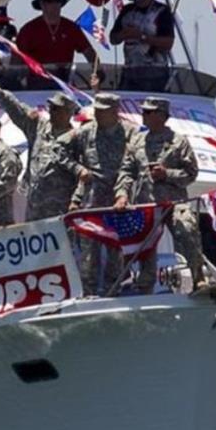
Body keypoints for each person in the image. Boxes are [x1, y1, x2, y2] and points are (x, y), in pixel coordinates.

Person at [114, 97, 204, 293]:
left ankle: (198, 279)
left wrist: (167, 174)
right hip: (146, 203)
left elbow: (192, 173)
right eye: (143, 112)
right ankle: (144, 284)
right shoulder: (136, 141)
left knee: (187, 227)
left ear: (161, 116)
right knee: (142, 244)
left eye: (148, 112)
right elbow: (126, 171)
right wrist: (122, 195)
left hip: (173, 202)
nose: (143, 115)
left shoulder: (178, 142)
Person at [0, 76, 80, 220]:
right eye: (50, 107)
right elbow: (16, 108)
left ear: (68, 113)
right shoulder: (39, 127)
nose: (51, 111)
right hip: (35, 203)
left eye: (56, 109)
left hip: (60, 206)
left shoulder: (76, 138)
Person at [67, 93, 137, 295]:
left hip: (119, 201)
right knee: (90, 249)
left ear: (115, 111)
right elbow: (58, 150)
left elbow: (136, 164)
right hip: (92, 201)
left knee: (117, 248)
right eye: (96, 110)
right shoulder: (85, 132)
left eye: (102, 110)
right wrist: (77, 169)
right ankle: (88, 291)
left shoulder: (130, 133)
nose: (97, 114)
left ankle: (113, 289)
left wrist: (124, 192)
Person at [109, 0, 174, 90]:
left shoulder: (162, 11)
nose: (138, 1)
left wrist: (141, 36)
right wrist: (123, 35)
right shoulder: (127, 10)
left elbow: (168, 43)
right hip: (130, 70)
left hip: (155, 73)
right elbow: (113, 39)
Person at [16, 0, 96, 72]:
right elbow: (17, 59)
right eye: (49, 1)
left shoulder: (71, 28)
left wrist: (97, 70)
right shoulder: (29, 30)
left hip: (64, 81)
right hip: (37, 82)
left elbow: (88, 52)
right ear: (42, 5)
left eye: (57, 1)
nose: (54, 5)